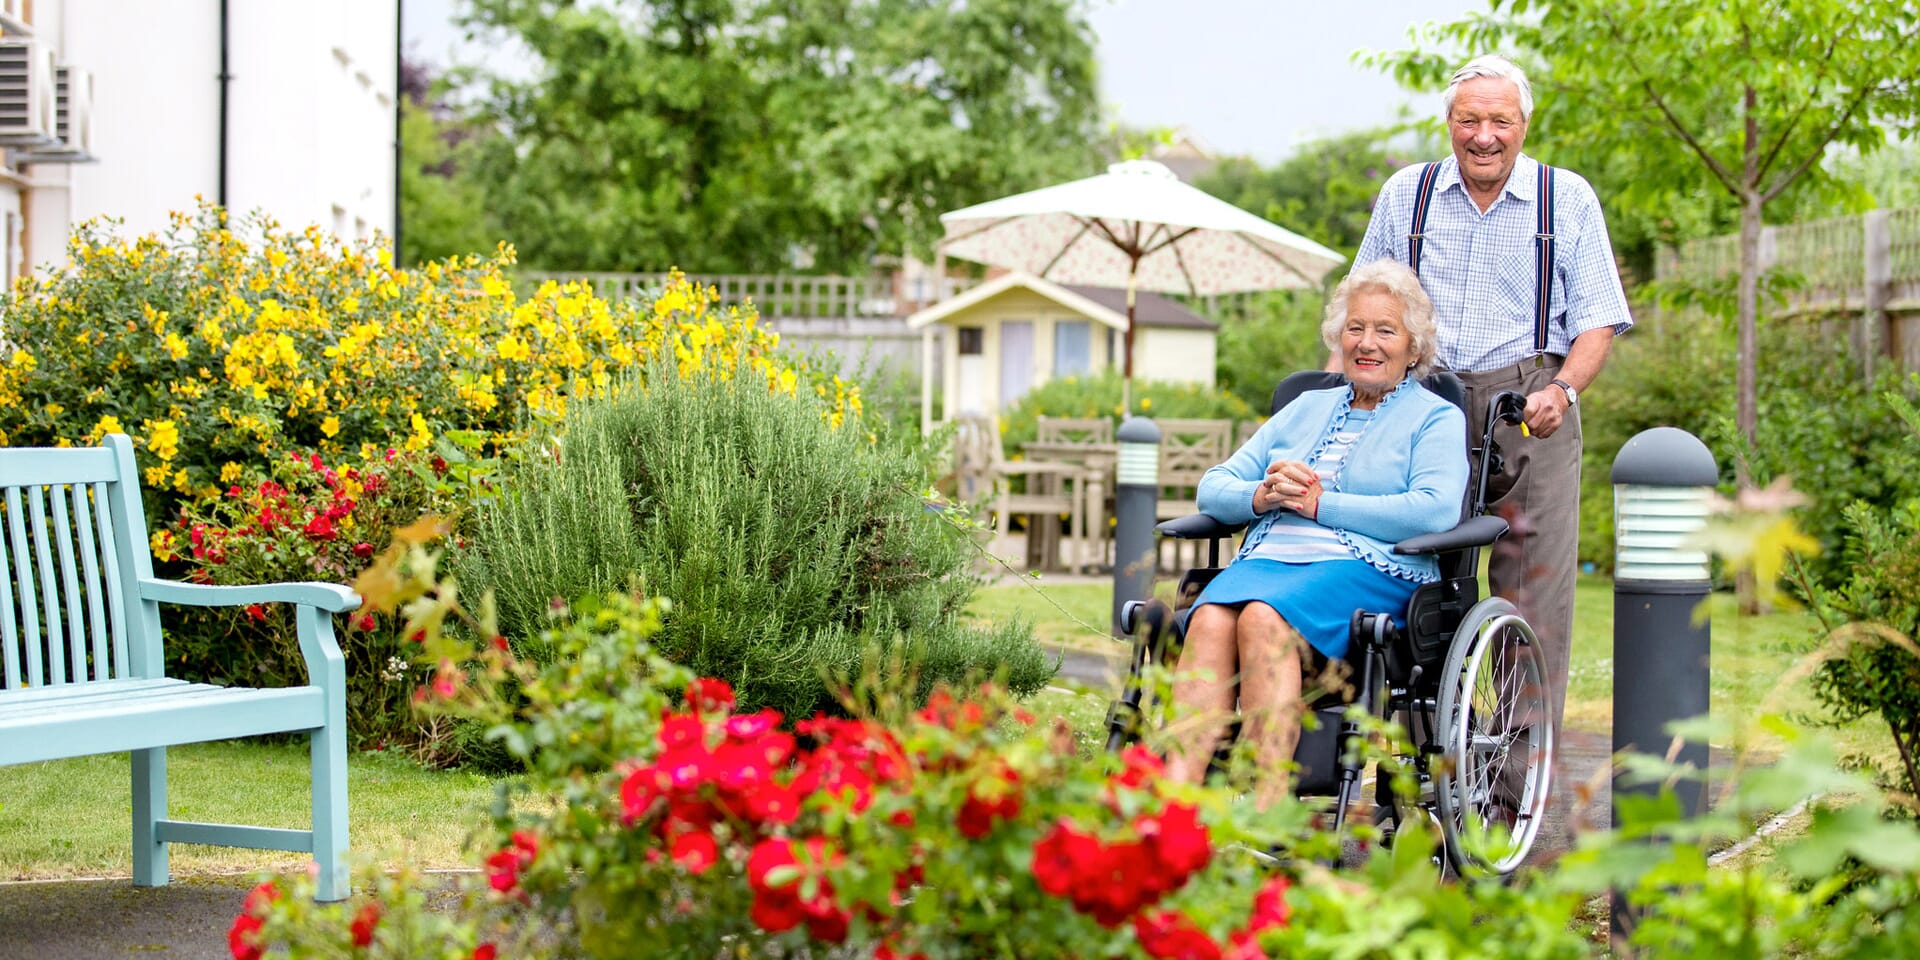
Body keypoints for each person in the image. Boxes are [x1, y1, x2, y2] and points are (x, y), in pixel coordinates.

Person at [1349, 53, 1633, 745]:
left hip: (1532, 403)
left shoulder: (1566, 199)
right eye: (1469, 119)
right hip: (1422, 399)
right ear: (1448, 123)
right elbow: (1363, 307)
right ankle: (1415, 766)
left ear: (1523, 124)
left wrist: (1564, 389)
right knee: (1403, 571)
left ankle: (1511, 792)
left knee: (1530, 596)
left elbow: (1598, 317)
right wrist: (1344, 403)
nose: (1483, 135)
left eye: (1499, 120)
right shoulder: (1404, 195)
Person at [1166, 260, 1467, 805]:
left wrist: (1321, 504)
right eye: (1355, 327)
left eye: (1385, 330)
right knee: (1208, 618)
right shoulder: (1308, 406)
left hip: (1370, 570)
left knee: (1260, 616)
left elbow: (1434, 511)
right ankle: (1174, 804)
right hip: (1269, 563)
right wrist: (1263, 495)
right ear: (1338, 336)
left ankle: (1269, 808)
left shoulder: (1435, 418)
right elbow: (1214, 486)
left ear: (1413, 347)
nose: (1366, 343)